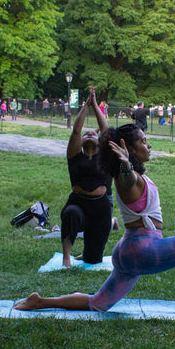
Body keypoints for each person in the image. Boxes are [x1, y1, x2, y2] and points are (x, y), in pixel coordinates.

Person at [13, 123, 175, 320]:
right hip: (142, 250)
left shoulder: (135, 175)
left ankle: (40, 301)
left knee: (97, 303)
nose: (149, 145)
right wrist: (126, 166)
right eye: (144, 141)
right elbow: (127, 179)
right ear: (129, 149)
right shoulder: (127, 177)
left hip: (128, 251)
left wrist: (127, 166)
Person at [60, 87, 114, 267]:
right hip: (78, 203)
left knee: (93, 260)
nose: (89, 134)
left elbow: (106, 131)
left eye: (93, 133)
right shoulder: (74, 155)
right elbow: (76, 131)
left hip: (101, 209)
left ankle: (91, 249)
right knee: (70, 214)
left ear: (100, 141)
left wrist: (95, 103)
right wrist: (86, 105)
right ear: (80, 142)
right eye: (86, 134)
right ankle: (66, 257)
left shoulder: (106, 155)